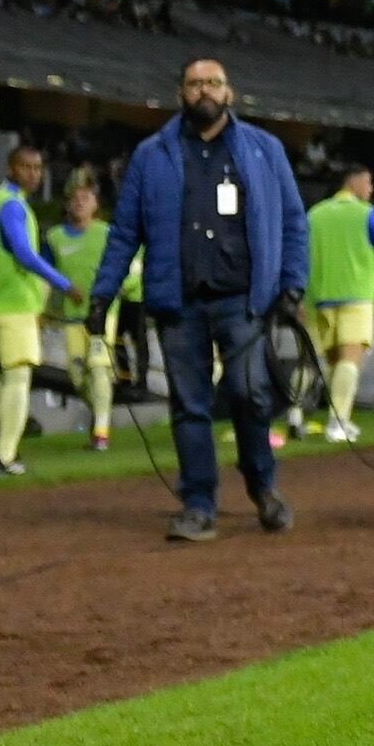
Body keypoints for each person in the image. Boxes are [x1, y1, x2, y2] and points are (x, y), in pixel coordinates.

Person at [93, 57, 309, 542]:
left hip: (244, 299)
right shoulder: (151, 155)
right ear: (180, 94)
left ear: (230, 93)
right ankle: (198, 504)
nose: (204, 91)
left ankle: (263, 486)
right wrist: (103, 293)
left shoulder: (265, 150)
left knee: (249, 395)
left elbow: (294, 222)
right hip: (178, 302)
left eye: (213, 83)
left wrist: (293, 286)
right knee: (189, 405)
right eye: (194, 84)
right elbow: (125, 231)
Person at [0, 143, 69, 474]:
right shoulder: (12, 205)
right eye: (27, 167)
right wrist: (64, 284)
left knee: (0, 375)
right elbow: (24, 254)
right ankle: (5, 455)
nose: (34, 173)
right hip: (12, 305)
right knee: (18, 378)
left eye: (38, 167)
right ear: (11, 169)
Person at [301, 161, 374, 443]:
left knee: (328, 360)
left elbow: (301, 252)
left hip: (319, 296)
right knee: (350, 358)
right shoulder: (367, 213)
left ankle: (295, 416)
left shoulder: (315, 214)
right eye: (368, 182)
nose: (371, 189)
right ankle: (338, 423)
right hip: (355, 294)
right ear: (354, 181)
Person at [45, 169, 129, 452]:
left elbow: (124, 264)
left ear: (96, 205)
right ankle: (100, 410)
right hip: (71, 316)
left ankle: (101, 433)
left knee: (99, 368)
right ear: (67, 203)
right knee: (77, 375)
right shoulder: (55, 237)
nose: (80, 202)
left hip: (103, 312)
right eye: (76, 198)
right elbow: (43, 271)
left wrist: (122, 286)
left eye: (86, 198)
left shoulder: (106, 234)